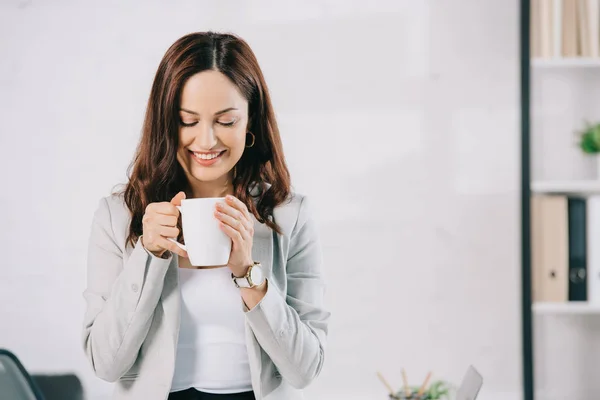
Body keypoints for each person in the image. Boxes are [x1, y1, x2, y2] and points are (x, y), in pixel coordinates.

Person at [81, 31, 330, 400]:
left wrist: (249, 274)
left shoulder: (288, 215)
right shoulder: (119, 216)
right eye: (187, 120)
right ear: (166, 123)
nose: (207, 140)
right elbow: (105, 363)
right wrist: (148, 255)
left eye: (226, 121)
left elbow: (305, 369)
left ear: (250, 125)